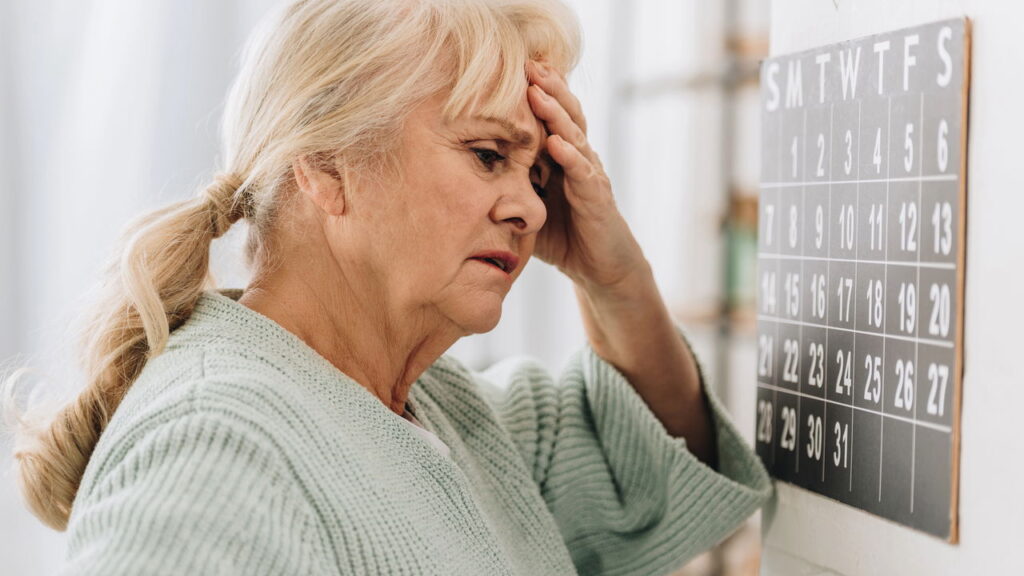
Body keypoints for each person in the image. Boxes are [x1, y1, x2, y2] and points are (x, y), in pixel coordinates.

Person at [6, 0, 772, 574]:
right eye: (485, 153)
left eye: (535, 172)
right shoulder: (213, 445)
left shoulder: (453, 419)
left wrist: (615, 277)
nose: (533, 207)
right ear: (327, 164)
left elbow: (647, 464)